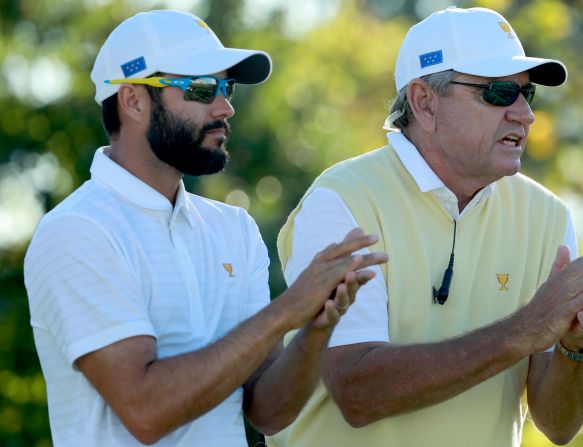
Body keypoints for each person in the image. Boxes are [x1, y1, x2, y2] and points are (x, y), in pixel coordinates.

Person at [267, 6, 583, 447]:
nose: (524, 114)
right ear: (425, 103)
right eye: (499, 93)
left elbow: (558, 426)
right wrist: (527, 328)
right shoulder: (342, 201)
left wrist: (578, 344)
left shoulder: (547, 216)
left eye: (526, 94)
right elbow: (357, 390)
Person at [23, 10, 387, 447]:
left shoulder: (233, 227)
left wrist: (316, 325)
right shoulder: (76, 230)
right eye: (200, 88)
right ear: (134, 99)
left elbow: (268, 412)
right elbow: (146, 411)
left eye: (226, 87)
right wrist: (288, 309)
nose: (225, 107)